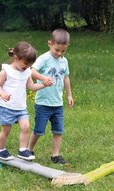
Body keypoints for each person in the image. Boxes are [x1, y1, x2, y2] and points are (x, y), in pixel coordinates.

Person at [0, 41, 52, 161]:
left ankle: (23, 150)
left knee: (26, 127)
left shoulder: (26, 72)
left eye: (30, 64)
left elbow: (31, 87)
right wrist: (2, 94)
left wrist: (43, 85)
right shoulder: (6, 71)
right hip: (7, 107)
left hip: (21, 108)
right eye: (26, 63)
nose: (28, 67)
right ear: (16, 58)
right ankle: (1, 150)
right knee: (6, 130)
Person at [28, 29, 74, 164]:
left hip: (57, 104)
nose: (59, 53)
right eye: (57, 50)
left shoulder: (64, 61)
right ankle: (29, 150)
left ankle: (55, 155)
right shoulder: (44, 58)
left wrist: (69, 95)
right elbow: (32, 71)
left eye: (63, 51)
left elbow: (66, 78)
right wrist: (43, 78)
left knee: (58, 130)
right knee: (39, 130)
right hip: (43, 103)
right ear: (49, 44)